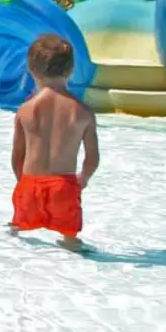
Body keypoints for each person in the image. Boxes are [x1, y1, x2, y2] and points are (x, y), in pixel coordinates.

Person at [10, 34, 100, 250]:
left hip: (30, 184)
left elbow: (17, 156)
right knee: (70, 239)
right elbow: (92, 158)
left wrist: (22, 182)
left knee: (18, 233)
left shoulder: (25, 111)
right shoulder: (83, 112)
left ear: (32, 71)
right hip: (64, 186)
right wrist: (83, 179)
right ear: (70, 71)